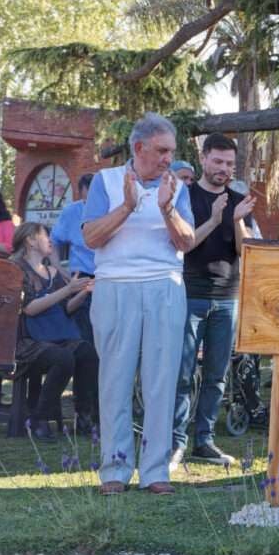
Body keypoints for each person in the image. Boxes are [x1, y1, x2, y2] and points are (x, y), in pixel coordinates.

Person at [82, 113, 196, 495]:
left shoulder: (176, 187)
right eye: (162, 150)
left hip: (164, 287)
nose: (168, 158)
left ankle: (155, 471)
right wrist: (128, 207)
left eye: (171, 152)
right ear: (138, 148)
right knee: (114, 377)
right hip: (115, 287)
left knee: (162, 379)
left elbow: (186, 242)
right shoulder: (107, 181)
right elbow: (91, 238)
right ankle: (115, 468)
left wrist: (166, 208)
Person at [172, 133, 257, 468]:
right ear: (204, 159)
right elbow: (185, 245)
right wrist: (214, 217)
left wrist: (235, 219)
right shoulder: (186, 196)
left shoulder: (238, 199)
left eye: (229, 164)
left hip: (227, 297)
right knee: (182, 373)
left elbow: (244, 250)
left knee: (217, 375)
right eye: (218, 162)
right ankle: (175, 442)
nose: (223, 169)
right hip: (190, 294)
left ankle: (203, 441)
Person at [10, 223, 98, 440]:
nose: (50, 241)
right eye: (45, 236)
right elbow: (29, 309)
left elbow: (65, 309)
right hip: (28, 341)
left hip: (55, 336)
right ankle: (39, 418)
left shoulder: (53, 272)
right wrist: (67, 289)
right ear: (30, 241)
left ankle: (83, 417)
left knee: (88, 352)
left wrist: (84, 292)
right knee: (64, 358)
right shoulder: (16, 269)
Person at [50, 174, 97, 343]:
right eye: (87, 198)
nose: (91, 202)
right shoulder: (72, 211)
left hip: (108, 275)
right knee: (83, 330)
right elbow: (53, 241)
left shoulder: (113, 209)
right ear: (80, 194)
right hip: (82, 275)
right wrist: (58, 268)